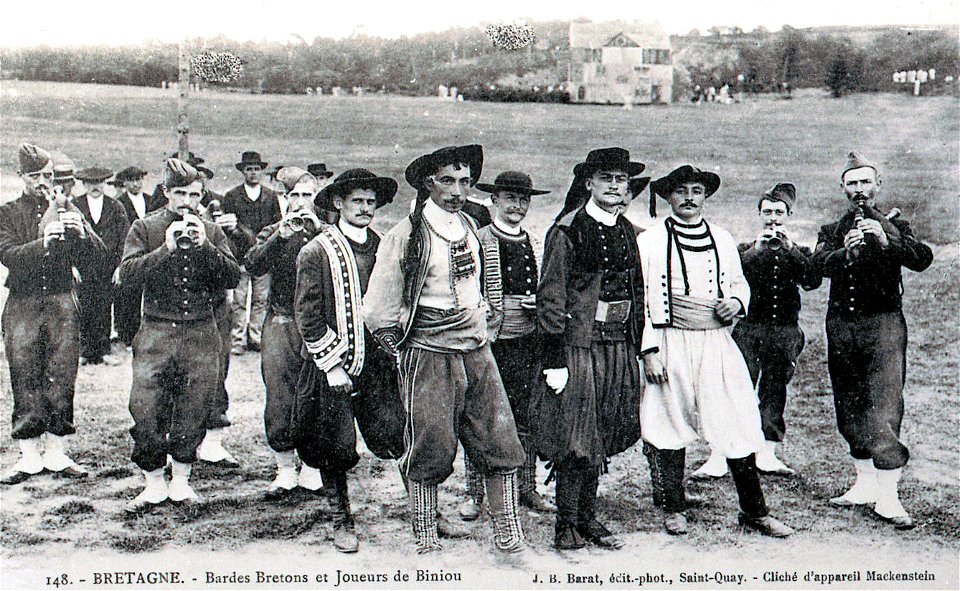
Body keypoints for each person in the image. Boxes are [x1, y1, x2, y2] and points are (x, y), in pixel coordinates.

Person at [364, 145, 527, 554]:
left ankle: (508, 531)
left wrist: (484, 318)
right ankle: (425, 534)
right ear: (428, 183)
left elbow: (483, 286)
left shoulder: (472, 226)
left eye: (465, 182)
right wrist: (401, 351)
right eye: (448, 181)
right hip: (429, 349)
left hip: (475, 347)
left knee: (499, 437)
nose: (457, 190)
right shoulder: (407, 235)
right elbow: (378, 310)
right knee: (430, 444)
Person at [637, 165, 793, 538]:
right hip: (670, 338)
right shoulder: (650, 240)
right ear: (668, 197)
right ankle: (673, 507)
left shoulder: (722, 238)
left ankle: (754, 511)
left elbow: (739, 282)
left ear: (705, 197)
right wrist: (649, 351)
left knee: (736, 416)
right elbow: (641, 299)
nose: (689, 198)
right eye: (680, 191)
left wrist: (736, 302)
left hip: (715, 341)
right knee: (669, 420)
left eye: (697, 190)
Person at [813, 151, 932, 529]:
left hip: (883, 324)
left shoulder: (897, 225)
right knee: (848, 401)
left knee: (883, 402)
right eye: (852, 183)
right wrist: (841, 253)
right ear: (843, 189)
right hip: (842, 325)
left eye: (866, 182)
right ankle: (864, 485)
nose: (859, 190)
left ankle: (889, 495)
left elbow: (921, 259)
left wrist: (886, 242)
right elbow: (814, 269)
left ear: (878, 186)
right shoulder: (831, 229)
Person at [533, 148, 646, 550]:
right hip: (578, 347)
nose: (614, 186)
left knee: (603, 429)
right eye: (606, 179)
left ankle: (588, 517)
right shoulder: (568, 230)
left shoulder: (630, 232)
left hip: (617, 345)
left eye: (621, 180)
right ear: (589, 184)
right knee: (575, 435)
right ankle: (566, 524)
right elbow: (550, 297)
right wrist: (554, 360)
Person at [294, 168, 407, 553]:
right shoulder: (316, 251)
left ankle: (424, 511)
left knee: (398, 433)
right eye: (357, 201)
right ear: (338, 203)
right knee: (335, 445)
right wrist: (332, 364)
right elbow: (307, 315)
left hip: (377, 365)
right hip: (334, 367)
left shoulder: (382, 246)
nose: (365, 208)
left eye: (371, 202)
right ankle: (341, 518)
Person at [119, 158, 240, 511]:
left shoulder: (211, 231)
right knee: (146, 408)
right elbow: (126, 274)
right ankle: (154, 482)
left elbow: (233, 276)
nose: (188, 202)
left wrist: (206, 246)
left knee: (194, 407)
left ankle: (182, 481)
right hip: (156, 330)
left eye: (195, 195)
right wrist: (165, 249)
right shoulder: (145, 227)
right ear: (167, 193)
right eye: (181, 194)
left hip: (201, 332)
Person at [694, 183, 822, 478]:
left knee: (775, 389)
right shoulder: (743, 249)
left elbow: (812, 280)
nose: (773, 218)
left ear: (789, 215)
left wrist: (789, 250)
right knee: (735, 390)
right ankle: (720, 454)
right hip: (749, 330)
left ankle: (767, 452)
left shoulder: (798, 250)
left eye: (779, 212)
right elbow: (728, 276)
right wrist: (757, 250)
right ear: (759, 214)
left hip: (785, 331)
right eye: (767, 212)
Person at [0, 144, 105, 485]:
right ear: (22, 178)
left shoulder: (67, 208)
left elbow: (97, 258)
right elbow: (7, 255)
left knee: (61, 373)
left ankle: (57, 452)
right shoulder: (8, 212)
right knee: (25, 373)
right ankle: (29, 456)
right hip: (23, 303)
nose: (43, 182)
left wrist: (82, 232)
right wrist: (43, 242)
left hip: (61, 301)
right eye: (35, 176)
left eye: (47, 175)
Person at [458, 171, 554, 521]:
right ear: (494, 201)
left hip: (528, 341)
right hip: (490, 341)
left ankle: (527, 487)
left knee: (526, 415)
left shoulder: (536, 242)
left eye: (523, 199)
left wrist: (536, 303)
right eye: (510, 198)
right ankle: (474, 493)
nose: (517, 206)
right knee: (481, 416)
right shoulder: (477, 240)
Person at [245, 167, 326, 494]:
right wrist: (280, 234)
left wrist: (321, 230)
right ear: (285, 198)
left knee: (317, 393)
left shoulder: (328, 231)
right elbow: (252, 264)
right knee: (279, 392)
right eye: (295, 196)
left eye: (307, 195)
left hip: (318, 323)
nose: (301, 202)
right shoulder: (273, 230)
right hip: (281, 320)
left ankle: (312, 465)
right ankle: (284, 467)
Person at [197, 164, 250, 468]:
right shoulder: (161, 218)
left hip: (216, 303)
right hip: (178, 310)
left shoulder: (220, 206)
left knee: (218, 369)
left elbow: (243, 256)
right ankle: (176, 442)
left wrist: (232, 229)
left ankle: (213, 442)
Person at [222, 151, 280, 354]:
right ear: (243, 172)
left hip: (263, 257)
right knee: (239, 300)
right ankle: (237, 340)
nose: (253, 173)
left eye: (256, 169)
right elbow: (227, 227)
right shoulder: (231, 196)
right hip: (240, 256)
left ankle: (256, 337)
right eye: (249, 169)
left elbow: (276, 226)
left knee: (261, 300)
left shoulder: (271, 196)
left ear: (261, 171)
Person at [73, 166, 129, 365]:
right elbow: (67, 237)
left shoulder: (116, 207)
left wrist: (119, 266)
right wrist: (71, 265)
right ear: (84, 184)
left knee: (104, 306)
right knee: (84, 305)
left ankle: (103, 350)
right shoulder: (75, 206)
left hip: (108, 266)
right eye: (91, 183)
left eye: (99, 182)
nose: (95, 186)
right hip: (83, 266)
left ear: (105, 183)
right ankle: (84, 351)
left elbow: (125, 238)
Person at [113, 166, 167, 347]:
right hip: (132, 252)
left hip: (151, 252)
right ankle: (128, 335)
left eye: (138, 180)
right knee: (129, 295)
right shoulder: (119, 203)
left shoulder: (151, 200)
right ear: (124, 183)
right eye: (131, 180)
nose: (136, 184)